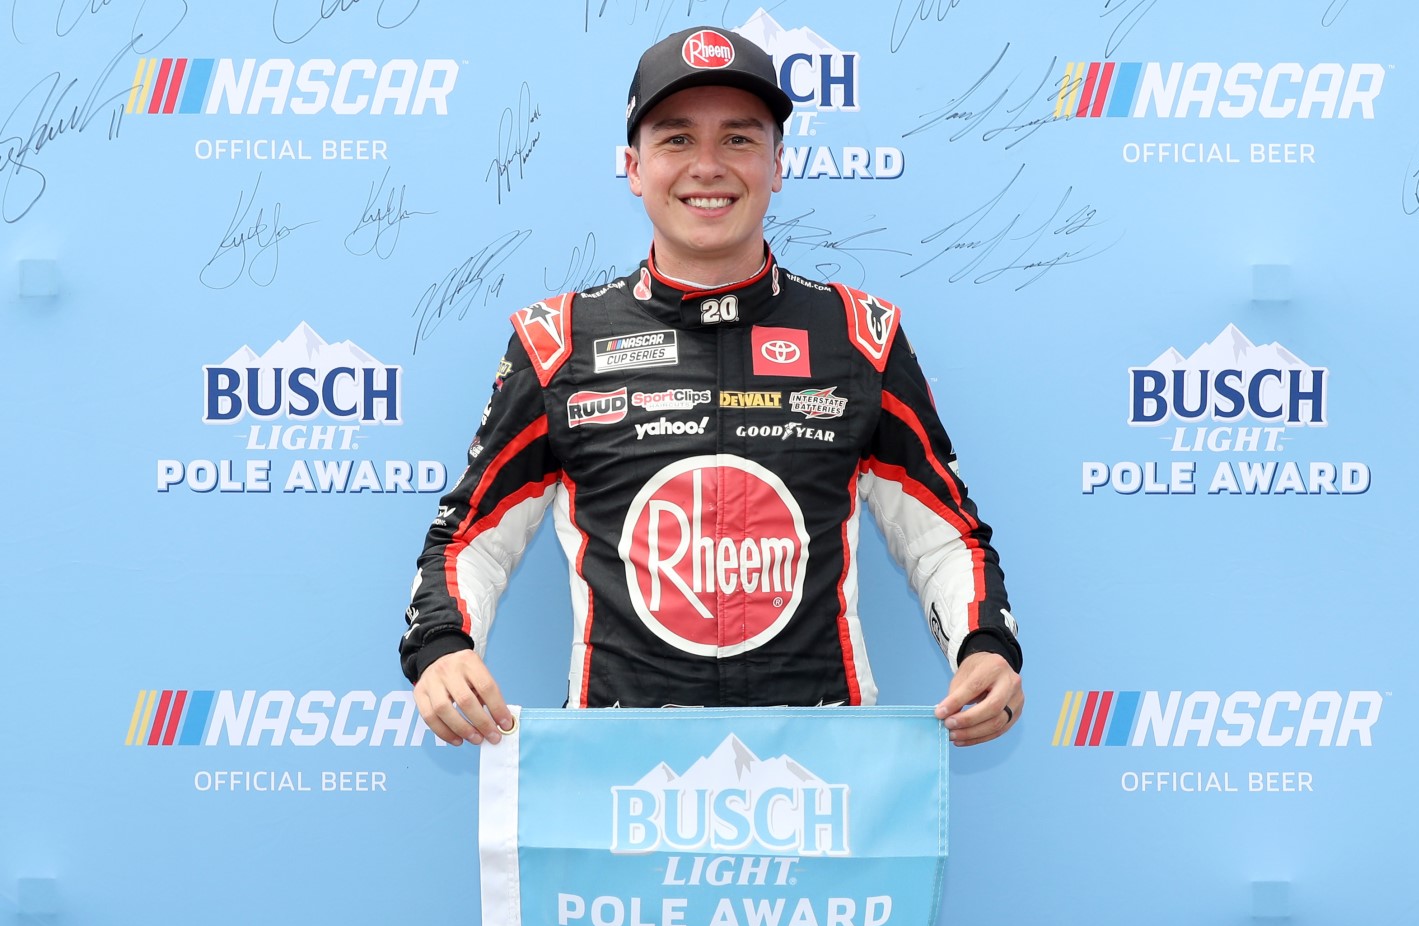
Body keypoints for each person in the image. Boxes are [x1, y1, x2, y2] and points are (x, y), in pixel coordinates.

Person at [400, 28, 1022, 756]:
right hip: (617, 765)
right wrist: (443, 646)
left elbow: (944, 534)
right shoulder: (558, 341)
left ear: (777, 165)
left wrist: (986, 647)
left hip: (823, 763)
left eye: (737, 140)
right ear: (633, 167)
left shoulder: (862, 334)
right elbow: (469, 536)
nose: (706, 166)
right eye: (675, 140)